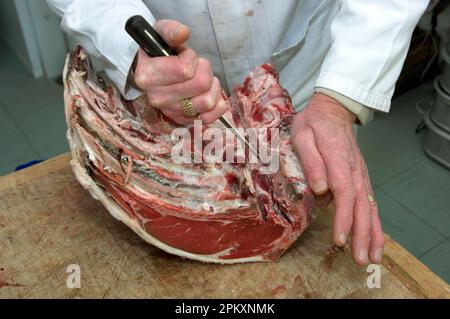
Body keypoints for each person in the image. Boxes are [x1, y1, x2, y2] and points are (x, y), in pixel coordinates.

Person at [47, 0, 429, 265]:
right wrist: (125, 46)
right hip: (173, 83)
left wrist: (338, 102)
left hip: (305, 79)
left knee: (307, 187)